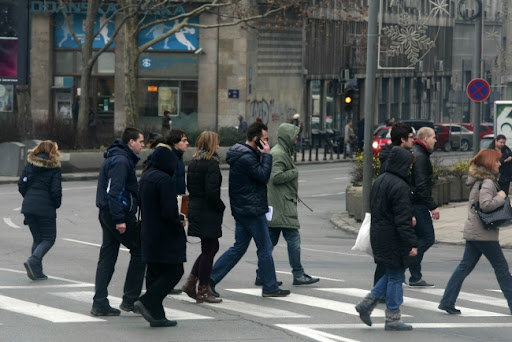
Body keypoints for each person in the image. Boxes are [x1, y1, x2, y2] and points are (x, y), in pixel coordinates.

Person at [209, 122, 290, 297]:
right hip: (252, 209)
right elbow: (262, 177)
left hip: (244, 208)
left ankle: (210, 279)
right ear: (256, 139)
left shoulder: (244, 154)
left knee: (239, 247)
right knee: (265, 247)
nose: (267, 143)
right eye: (265, 139)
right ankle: (269, 287)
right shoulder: (247, 157)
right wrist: (267, 156)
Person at [439, 148, 512, 315]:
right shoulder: (487, 182)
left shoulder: (480, 181)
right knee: (501, 267)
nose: (499, 163)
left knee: (464, 267)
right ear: (488, 163)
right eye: (496, 161)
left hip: (475, 231)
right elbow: (485, 205)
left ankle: (447, 301)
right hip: (483, 233)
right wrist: (501, 196)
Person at [355, 146, 418, 331]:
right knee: (397, 276)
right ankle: (392, 319)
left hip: (379, 234)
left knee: (391, 273)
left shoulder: (381, 180)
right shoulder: (400, 186)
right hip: (393, 237)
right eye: (409, 165)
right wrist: (411, 243)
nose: (410, 168)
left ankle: (366, 305)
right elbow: (402, 220)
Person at [255, 123, 319, 286]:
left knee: (269, 242)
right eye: (295, 136)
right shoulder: (279, 153)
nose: (297, 139)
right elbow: (275, 177)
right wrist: (294, 172)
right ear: (287, 137)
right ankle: (298, 274)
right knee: (293, 240)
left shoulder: (281, 151)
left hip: (278, 204)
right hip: (282, 205)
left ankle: (261, 274)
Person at [91, 127, 146, 316]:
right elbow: (113, 192)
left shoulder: (115, 157)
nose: (143, 145)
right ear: (131, 142)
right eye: (140, 141)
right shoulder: (122, 161)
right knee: (140, 250)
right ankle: (130, 299)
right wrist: (119, 219)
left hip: (107, 214)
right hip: (118, 214)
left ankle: (99, 303)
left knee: (107, 256)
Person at [135, 144, 187, 327]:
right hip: (164, 233)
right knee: (175, 270)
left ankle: (156, 315)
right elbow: (168, 211)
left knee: (155, 272)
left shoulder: (146, 176)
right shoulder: (164, 180)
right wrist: (178, 222)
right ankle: (148, 301)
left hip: (148, 231)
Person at [181, 131, 225, 303]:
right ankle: (203, 289)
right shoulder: (211, 164)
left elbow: (189, 189)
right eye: (217, 143)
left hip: (196, 208)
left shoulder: (194, 163)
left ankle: (191, 283)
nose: (219, 147)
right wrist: (220, 207)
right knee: (210, 249)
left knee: (210, 248)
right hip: (207, 210)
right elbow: (212, 192)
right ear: (211, 145)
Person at [374, 122, 415, 288]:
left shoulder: (397, 159)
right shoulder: (392, 163)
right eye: (411, 138)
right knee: (388, 262)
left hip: (390, 220)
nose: (414, 141)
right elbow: (392, 194)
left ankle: (375, 296)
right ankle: (381, 297)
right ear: (402, 139)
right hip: (390, 221)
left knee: (388, 263)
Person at [18, 140, 62, 281]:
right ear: (52, 152)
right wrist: (56, 204)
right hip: (45, 208)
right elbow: (56, 191)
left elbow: (21, 184)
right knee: (49, 238)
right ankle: (33, 260)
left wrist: (29, 198)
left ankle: (37, 272)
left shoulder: (29, 165)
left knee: (38, 238)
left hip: (29, 207)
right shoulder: (54, 168)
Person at [408, 127, 438, 287]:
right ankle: (408, 264)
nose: (435, 140)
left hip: (415, 203)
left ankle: (415, 276)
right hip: (418, 204)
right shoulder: (420, 157)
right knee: (427, 238)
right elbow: (421, 185)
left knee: (416, 240)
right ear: (425, 138)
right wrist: (432, 206)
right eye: (433, 137)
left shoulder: (418, 153)